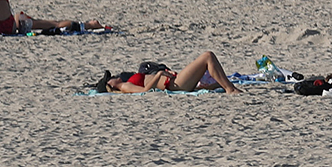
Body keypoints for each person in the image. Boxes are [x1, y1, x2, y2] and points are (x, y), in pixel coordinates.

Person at [99, 52, 243, 95]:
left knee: (215, 76)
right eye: (109, 79)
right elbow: (144, 90)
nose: (113, 77)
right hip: (173, 85)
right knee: (207, 56)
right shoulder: (125, 87)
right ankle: (230, 89)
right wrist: (159, 74)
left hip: (174, 81)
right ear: (110, 86)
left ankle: (229, 87)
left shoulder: (127, 82)